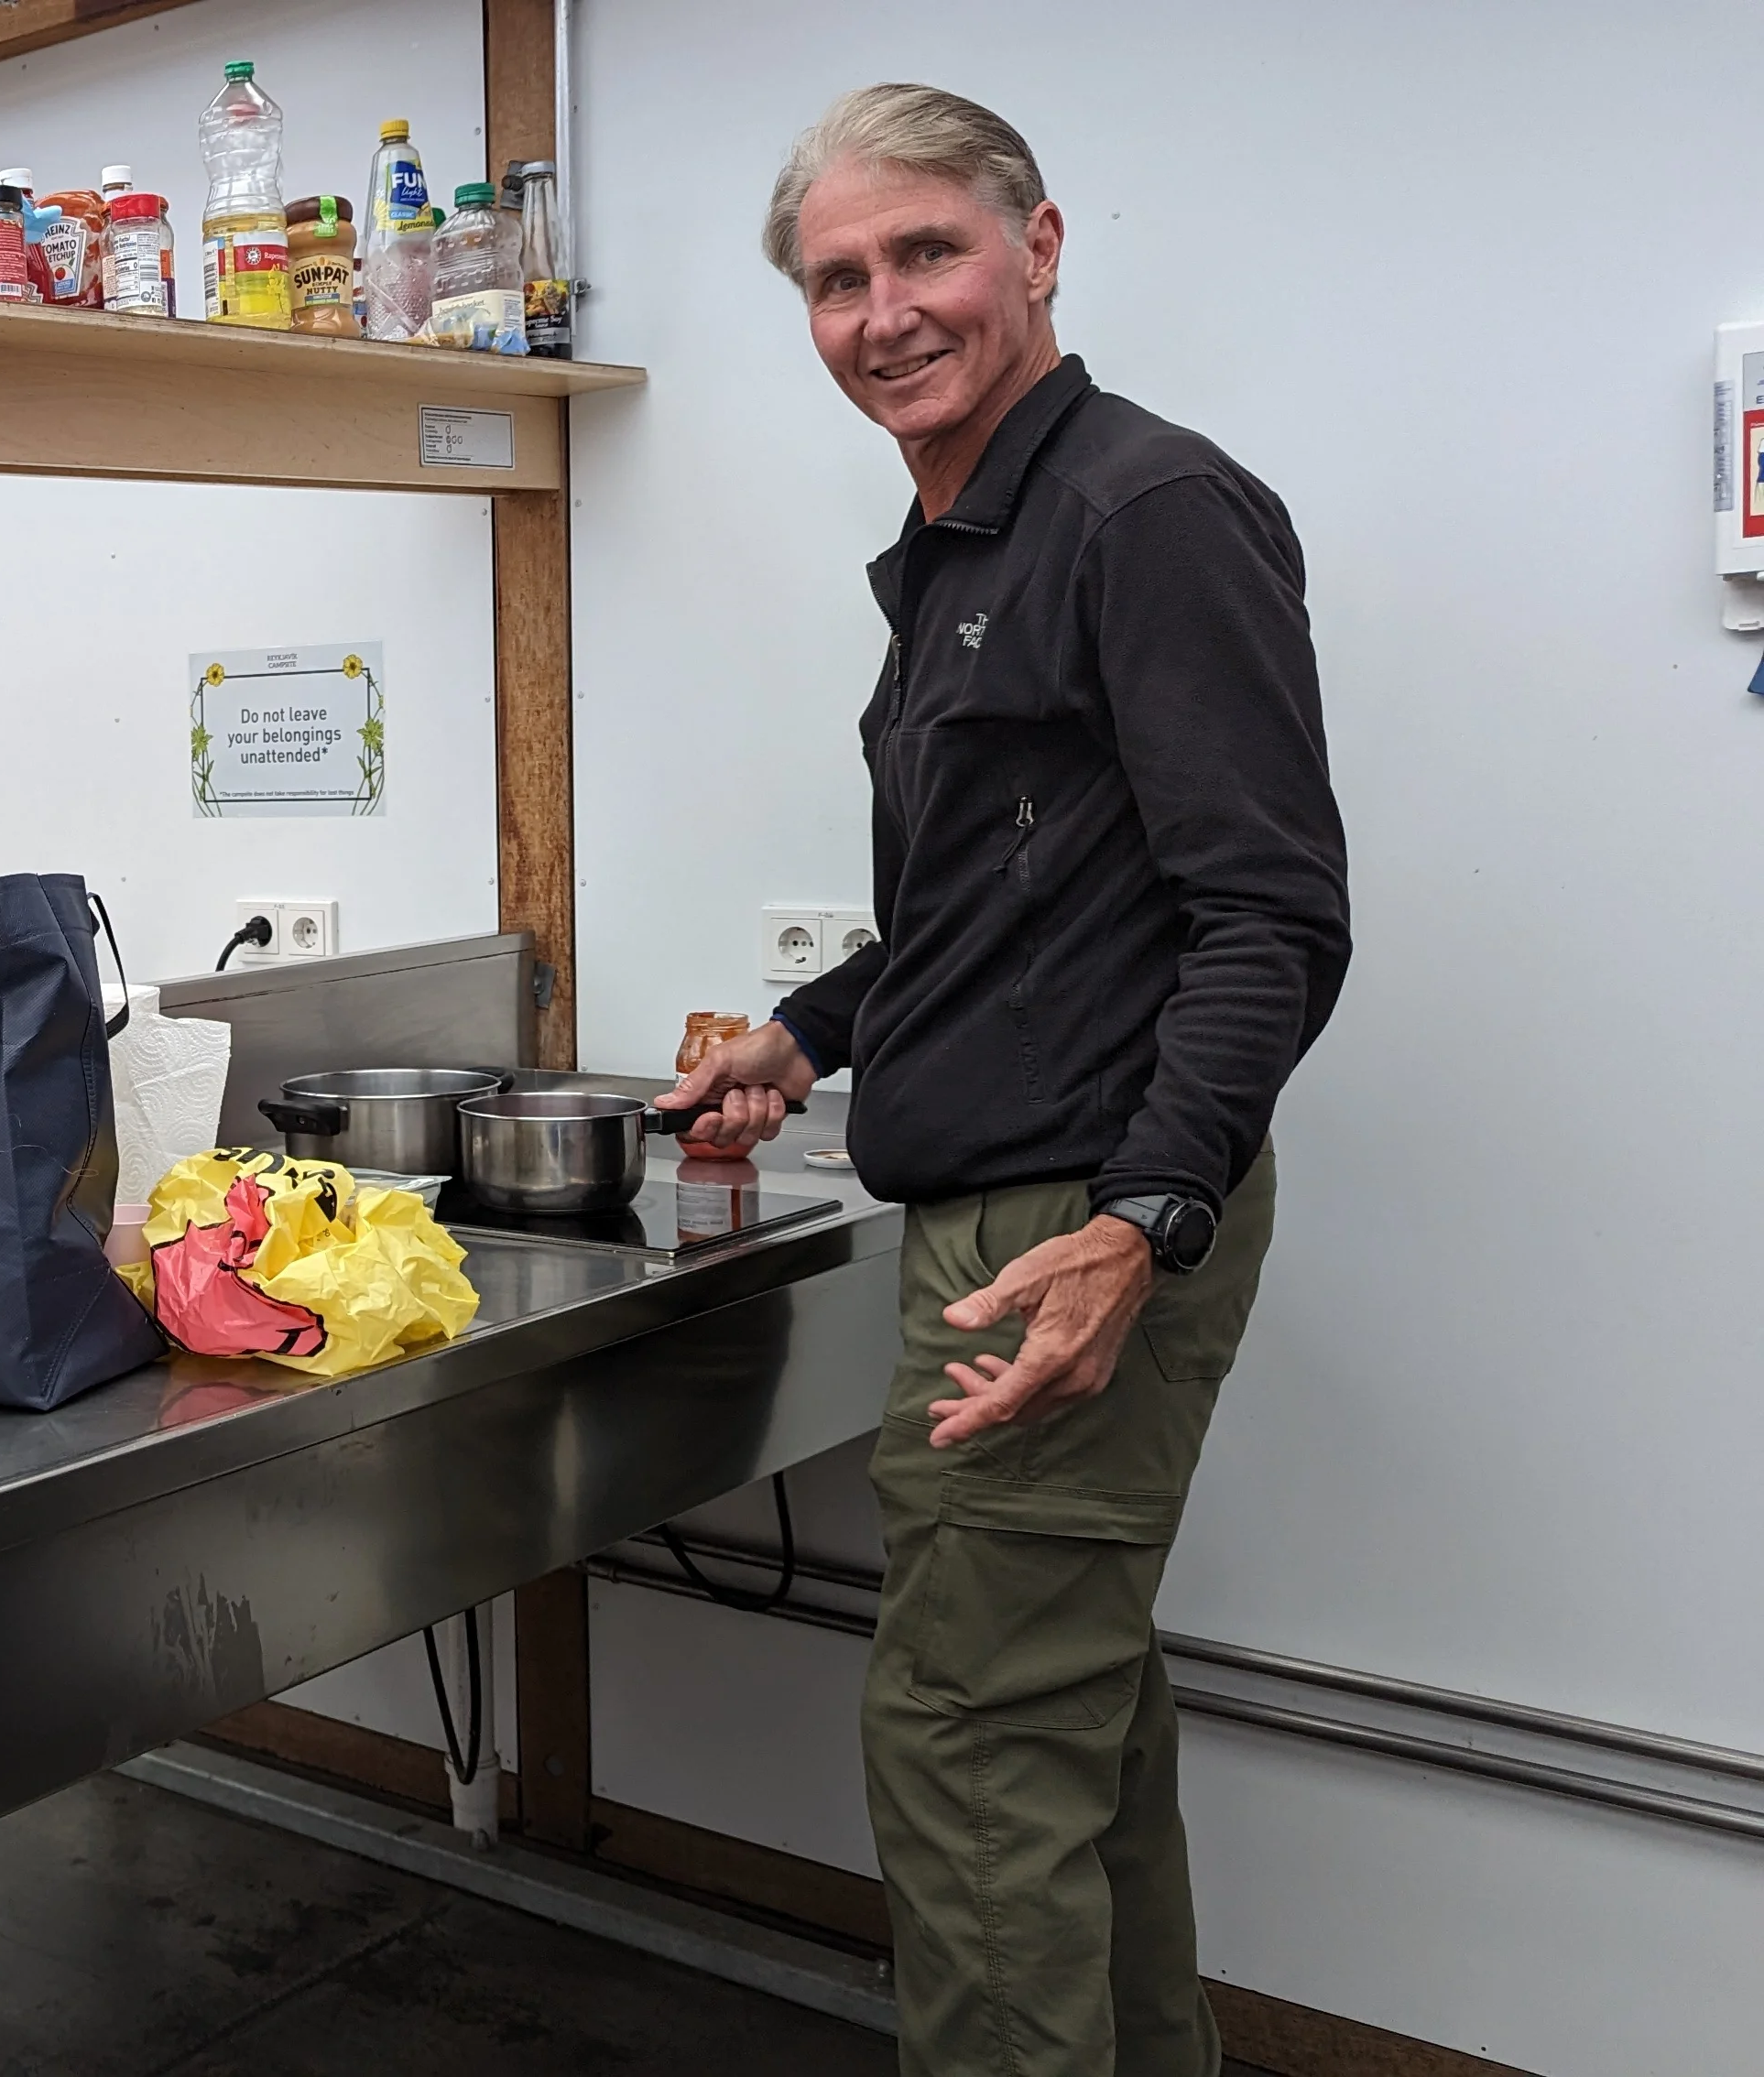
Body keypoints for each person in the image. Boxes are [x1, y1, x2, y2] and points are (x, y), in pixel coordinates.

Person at [662, 85, 1352, 2077]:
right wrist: (817, 1029)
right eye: (838, 279)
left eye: (928, 254)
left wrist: (1141, 1223)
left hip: (1077, 1217)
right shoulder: (975, 531)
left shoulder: (1143, 510)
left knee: (970, 1755)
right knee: (1064, 1729)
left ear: (1036, 247)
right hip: (1032, 1204)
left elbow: (1270, 917)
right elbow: (1021, 896)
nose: (885, 312)